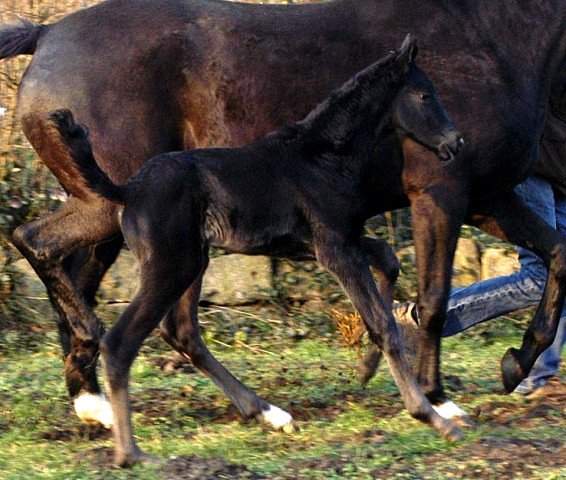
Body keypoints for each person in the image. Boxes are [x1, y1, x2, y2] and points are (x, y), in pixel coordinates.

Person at [393, 84, 566, 396]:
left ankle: (538, 378)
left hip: (561, 179)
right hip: (533, 173)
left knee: (563, 277)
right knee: (540, 279)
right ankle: (417, 320)